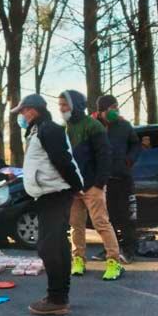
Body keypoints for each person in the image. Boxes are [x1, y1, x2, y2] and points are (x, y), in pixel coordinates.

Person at [12, 94, 84, 316]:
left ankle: (57, 299)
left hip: (55, 194)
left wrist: (75, 186)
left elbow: (62, 159)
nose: (21, 116)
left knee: (48, 247)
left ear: (33, 110)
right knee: (58, 246)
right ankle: (59, 295)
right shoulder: (37, 130)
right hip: (47, 195)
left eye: (23, 111)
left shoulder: (48, 129)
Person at [58, 90, 123, 280]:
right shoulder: (64, 129)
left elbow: (104, 155)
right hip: (73, 187)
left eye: (65, 104)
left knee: (101, 223)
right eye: (60, 105)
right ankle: (78, 260)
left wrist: (99, 183)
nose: (61, 109)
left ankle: (114, 262)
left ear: (76, 105)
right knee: (75, 226)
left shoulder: (93, 126)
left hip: (92, 186)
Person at [93, 95, 142, 263]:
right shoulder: (93, 126)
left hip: (123, 179)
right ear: (102, 111)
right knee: (107, 219)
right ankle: (110, 249)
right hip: (104, 181)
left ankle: (129, 250)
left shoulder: (124, 125)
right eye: (112, 108)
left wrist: (129, 159)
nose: (116, 110)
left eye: (116, 107)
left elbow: (136, 144)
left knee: (127, 218)